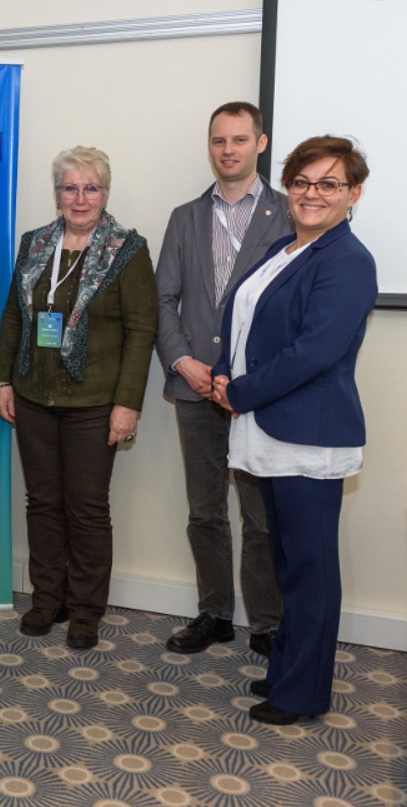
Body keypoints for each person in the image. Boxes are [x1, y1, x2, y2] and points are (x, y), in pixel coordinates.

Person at [211, 136, 376, 725]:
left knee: (310, 571)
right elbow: (242, 321)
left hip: (309, 435)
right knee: (287, 564)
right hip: (270, 428)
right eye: (302, 182)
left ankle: (302, 693)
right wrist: (225, 370)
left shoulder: (348, 260)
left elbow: (315, 351)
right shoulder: (285, 248)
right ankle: (287, 670)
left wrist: (239, 392)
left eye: (329, 184)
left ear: (353, 194)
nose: (312, 194)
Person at [0, 146, 158, 650]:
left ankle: (86, 609)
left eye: (90, 188)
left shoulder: (127, 250)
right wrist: (3, 381)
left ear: (104, 193)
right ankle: (49, 599)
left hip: (95, 404)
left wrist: (127, 403)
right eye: (70, 188)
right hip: (34, 397)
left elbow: (141, 330)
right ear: (57, 193)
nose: (80, 198)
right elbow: (15, 315)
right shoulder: (34, 244)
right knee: (42, 503)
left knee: (86, 509)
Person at [156, 102, 291, 657]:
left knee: (261, 517)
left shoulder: (290, 215)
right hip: (194, 388)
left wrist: (249, 376)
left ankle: (267, 623)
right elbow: (163, 299)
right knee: (204, 511)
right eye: (218, 140)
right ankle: (214, 613)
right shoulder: (184, 217)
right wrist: (183, 361)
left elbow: (293, 309)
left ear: (260, 143)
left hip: (257, 394)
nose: (228, 150)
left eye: (239, 139)